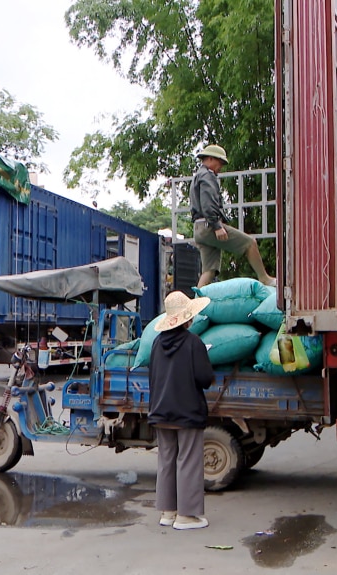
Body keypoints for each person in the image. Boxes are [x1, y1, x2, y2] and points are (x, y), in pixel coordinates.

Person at [148, 291, 215, 530]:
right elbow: (205, 378)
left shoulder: (156, 344)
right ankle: (187, 516)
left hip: (160, 410)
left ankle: (168, 512)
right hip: (187, 411)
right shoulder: (194, 344)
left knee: (166, 459)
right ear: (186, 319)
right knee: (188, 460)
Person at [190, 144, 276, 288]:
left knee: (209, 270)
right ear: (210, 159)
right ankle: (264, 278)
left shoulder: (197, 176)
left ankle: (196, 303)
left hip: (199, 228)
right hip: (209, 225)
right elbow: (207, 203)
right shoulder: (207, 175)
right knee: (250, 243)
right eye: (220, 162)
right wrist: (217, 226)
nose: (221, 167)